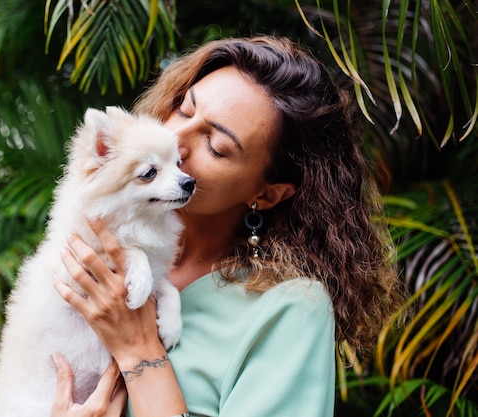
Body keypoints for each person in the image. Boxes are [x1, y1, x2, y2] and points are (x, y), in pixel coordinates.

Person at [50, 35, 405, 417]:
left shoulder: (288, 307)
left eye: (216, 146)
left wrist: (139, 352)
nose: (176, 140)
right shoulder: (96, 248)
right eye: (184, 111)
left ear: (267, 193)